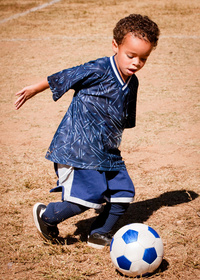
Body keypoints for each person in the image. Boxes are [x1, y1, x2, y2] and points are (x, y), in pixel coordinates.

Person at [15, 14, 160, 249]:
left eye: (143, 59)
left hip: (107, 152)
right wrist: (35, 88)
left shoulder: (132, 83)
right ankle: (46, 215)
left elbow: (123, 119)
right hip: (78, 147)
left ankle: (98, 232)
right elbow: (65, 76)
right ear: (116, 45)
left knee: (124, 193)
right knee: (88, 197)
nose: (136, 63)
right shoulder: (99, 68)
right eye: (131, 55)